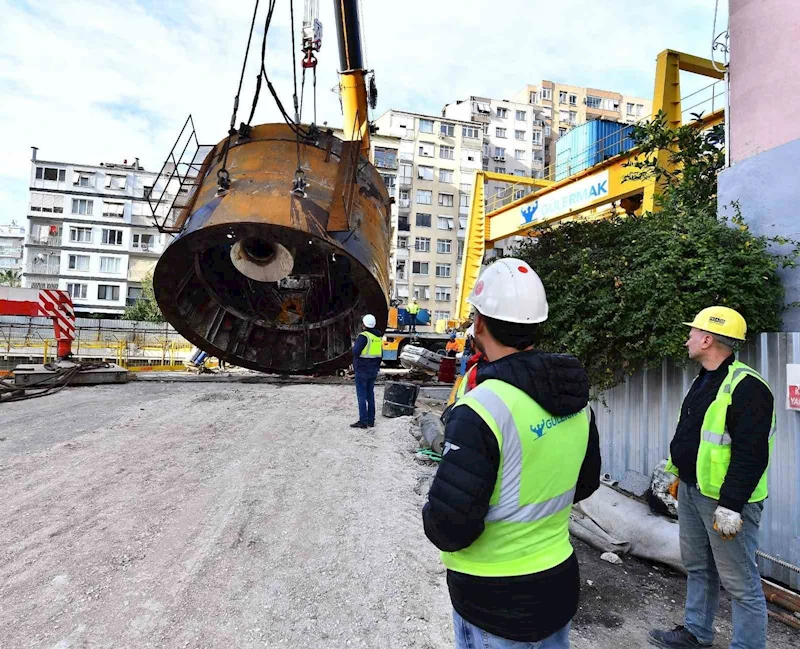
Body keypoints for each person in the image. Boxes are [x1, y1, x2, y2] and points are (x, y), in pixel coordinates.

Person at [422, 258, 602, 649]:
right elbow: (585, 483)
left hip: (493, 598)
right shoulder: (574, 399)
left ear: (480, 324)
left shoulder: (482, 408)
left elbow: (448, 527)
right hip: (556, 582)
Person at [649, 307, 775, 649]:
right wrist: (674, 472)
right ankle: (696, 633)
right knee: (698, 567)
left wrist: (731, 506)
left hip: (726, 503)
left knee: (740, 582)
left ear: (708, 339)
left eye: (692, 333)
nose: (687, 338)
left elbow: (752, 454)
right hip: (693, 491)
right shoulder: (704, 378)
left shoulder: (748, 387)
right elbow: (694, 434)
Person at [350, 313, 383, 429]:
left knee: (361, 396)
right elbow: (380, 355)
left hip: (362, 369)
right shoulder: (378, 338)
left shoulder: (364, 336)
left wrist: (354, 346)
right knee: (370, 395)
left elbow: (355, 352)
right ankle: (371, 420)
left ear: (364, 324)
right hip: (373, 370)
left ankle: (363, 421)